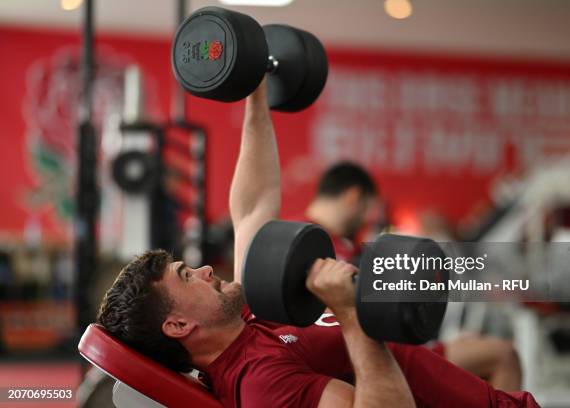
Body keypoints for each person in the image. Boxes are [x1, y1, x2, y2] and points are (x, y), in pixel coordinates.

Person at [97, 79, 538, 407]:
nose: (205, 269)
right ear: (177, 326)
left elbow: (252, 206)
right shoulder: (260, 383)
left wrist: (256, 96)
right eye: (186, 276)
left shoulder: (250, 312)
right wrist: (350, 314)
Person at [306, 162, 523, 392]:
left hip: (386, 343)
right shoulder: (311, 246)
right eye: (368, 208)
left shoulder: (343, 246)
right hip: (370, 351)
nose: (368, 218)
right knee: (504, 357)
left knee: (497, 353)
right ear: (353, 197)